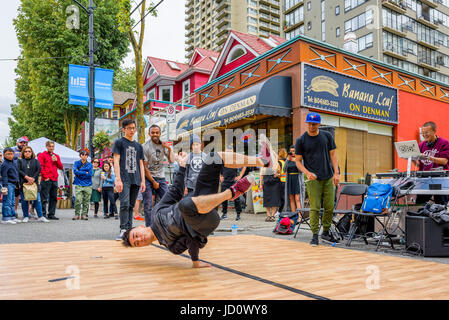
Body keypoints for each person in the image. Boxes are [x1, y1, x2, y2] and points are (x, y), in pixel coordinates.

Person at [121, 149, 269, 268]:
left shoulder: (156, 213)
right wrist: (195, 261)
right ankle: (231, 193)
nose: (140, 239)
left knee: (212, 157)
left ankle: (261, 161)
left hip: (201, 201)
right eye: (138, 243)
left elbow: (175, 191)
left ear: (139, 227)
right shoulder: (171, 246)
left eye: (136, 236)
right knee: (185, 205)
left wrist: (183, 167)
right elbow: (192, 241)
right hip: (206, 222)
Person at [295, 112, 340, 246]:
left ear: (319, 124)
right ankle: (314, 235)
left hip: (328, 177)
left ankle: (325, 232)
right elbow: (298, 161)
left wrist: (336, 173)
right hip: (312, 178)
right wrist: (307, 172)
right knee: (314, 207)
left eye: (314, 124)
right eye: (309, 123)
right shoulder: (301, 140)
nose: (311, 126)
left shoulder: (327, 136)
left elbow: (333, 155)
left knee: (329, 206)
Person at [112, 119, 146, 241]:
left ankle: (129, 229)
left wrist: (143, 181)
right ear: (124, 129)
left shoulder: (139, 146)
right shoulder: (119, 143)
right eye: (129, 128)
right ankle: (123, 230)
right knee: (124, 204)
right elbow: (116, 160)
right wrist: (118, 179)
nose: (132, 130)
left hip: (136, 179)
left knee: (131, 205)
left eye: (133, 128)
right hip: (124, 178)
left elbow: (141, 164)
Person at [142, 124, 174, 227]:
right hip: (148, 178)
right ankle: (149, 227)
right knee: (148, 203)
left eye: (157, 132)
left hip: (161, 177)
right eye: (153, 133)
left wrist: (169, 149)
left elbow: (171, 160)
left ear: (160, 134)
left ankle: (166, 225)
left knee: (167, 200)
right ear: (149, 134)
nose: (155, 134)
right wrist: (153, 182)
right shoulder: (145, 147)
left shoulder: (163, 145)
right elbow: (145, 168)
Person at [414, 121, 449, 205]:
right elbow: (418, 164)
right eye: (422, 133)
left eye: (427, 132)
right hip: (425, 179)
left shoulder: (444, 143)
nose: (424, 135)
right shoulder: (421, 145)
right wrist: (412, 158)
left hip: (440, 179)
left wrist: (429, 157)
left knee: (440, 205)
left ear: (434, 131)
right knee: (420, 204)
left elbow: (444, 161)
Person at [17, 146, 49, 223]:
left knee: (37, 200)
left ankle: (41, 216)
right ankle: (26, 216)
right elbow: (18, 170)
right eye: (26, 151)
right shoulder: (20, 161)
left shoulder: (36, 161)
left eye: (29, 151)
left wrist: (33, 179)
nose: (27, 153)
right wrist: (27, 177)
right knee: (24, 201)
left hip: (34, 184)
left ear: (32, 153)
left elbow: (38, 170)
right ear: (23, 153)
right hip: (24, 183)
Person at [38, 140, 63, 220]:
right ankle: (43, 214)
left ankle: (51, 214)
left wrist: (57, 161)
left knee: (54, 198)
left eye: (52, 146)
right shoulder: (42, 155)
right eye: (50, 146)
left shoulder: (56, 156)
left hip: (54, 179)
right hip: (46, 179)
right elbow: (40, 167)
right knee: (44, 198)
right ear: (46, 146)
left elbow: (61, 167)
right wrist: (45, 177)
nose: (51, 148)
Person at [220, 146, 246, 221]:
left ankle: (238, 214)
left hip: (233, 182)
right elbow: (217, 168)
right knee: (223, 198)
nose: (228, 153)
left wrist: (240, 176)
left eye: (230, 152)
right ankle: (224, 214)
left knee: (236, 199)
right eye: (227, 152)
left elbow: (244, 166)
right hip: (225, 182)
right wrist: (220, 176)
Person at [73, 150, 93, 220]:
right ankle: (77, 214)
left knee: (86, 201)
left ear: (87, 156)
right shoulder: (76, 163)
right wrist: (85, 172)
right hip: (78, 183)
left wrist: (80, 172)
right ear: (80, 155)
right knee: (78, 200)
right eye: (82, 155)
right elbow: (75, 172)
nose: (84, 156)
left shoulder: (90, 164)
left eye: (85, 155)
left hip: (88, 184)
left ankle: (84, 214)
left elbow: (90, 174)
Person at [1, 148, 20, 224]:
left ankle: (12, 216)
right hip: (7, 184)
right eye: (8, 154)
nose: (10, 155)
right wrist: (5, 186)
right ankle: (6, 217)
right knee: (7, 201)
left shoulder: (13, 163)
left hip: (13, 184)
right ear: (4, 155)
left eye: (11, 153)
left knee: (12, 201)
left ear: (14, 154)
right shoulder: (4, 164)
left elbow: (16, 174)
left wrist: (16, 184)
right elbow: (4, 176)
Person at [286, 145, 301, 212]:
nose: (292, 152)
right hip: (290, 179)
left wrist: (295, 161)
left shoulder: (299, 159)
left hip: (297, 179)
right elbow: (284, 169)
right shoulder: (288, 159)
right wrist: (287, 160)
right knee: (291, 198)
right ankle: (294, 215)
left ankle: (300, 216)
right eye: (291, 151)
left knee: (297, 199)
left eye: (293, 151)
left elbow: (301, 170)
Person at [278, 148, 288, 212]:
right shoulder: (286, 161)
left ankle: (279, 211)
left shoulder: (279, 162)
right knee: (284, 196)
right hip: (286, 181)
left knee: (281, 197)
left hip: (280, 181)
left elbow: (278, 172)